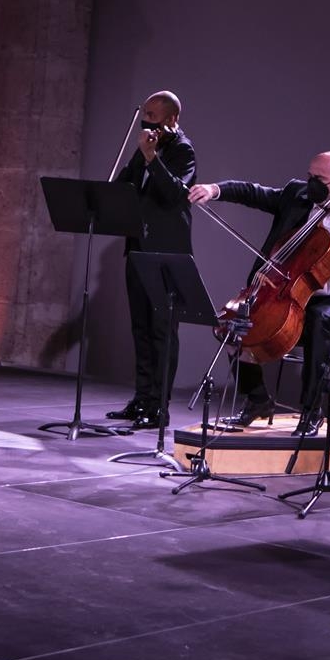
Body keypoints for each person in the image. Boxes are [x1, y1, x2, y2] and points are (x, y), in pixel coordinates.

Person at [189, 151, 330, 435]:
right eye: (310, 176)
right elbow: (252, 192)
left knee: (317, 319)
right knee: (235, 323)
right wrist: (215, 190)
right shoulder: (296, 195)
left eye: (320, 179)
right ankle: (257, 399)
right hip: (288, 293)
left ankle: (312, 411)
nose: (311, 183)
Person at [107, 91, 197, 428]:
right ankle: (141, 398)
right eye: (144, 114)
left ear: (172, 119)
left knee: (162, 331)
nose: (146, 122)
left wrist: (151, 158)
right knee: (141, 328)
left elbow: (174, 194)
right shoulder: (144, 147)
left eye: (153, 116)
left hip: (166, 253)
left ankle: (159, 407)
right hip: (138, 247)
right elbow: (125, 185)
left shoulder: (183, 151)